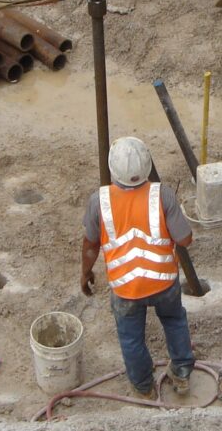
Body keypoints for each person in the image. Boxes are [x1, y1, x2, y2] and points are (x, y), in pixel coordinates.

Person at [80, 136, 196, 398]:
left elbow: (90, 243)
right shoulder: (162, 195)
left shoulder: (99, 201)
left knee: (131, 338)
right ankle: (182, 373)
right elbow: (185, 239)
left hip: (126, 288)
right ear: (147, 166)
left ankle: (144, 387)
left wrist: (85, 273)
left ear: (112, 169)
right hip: (164, 282)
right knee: (175, 321)